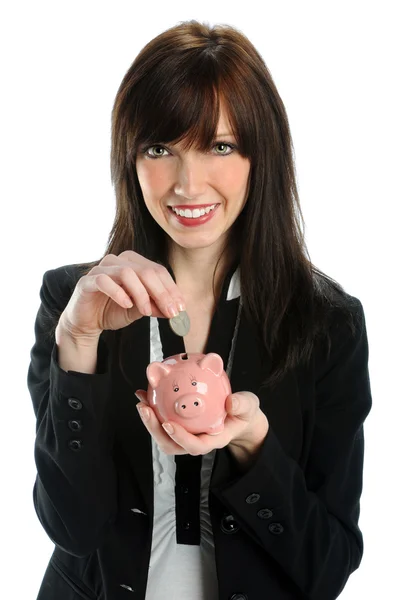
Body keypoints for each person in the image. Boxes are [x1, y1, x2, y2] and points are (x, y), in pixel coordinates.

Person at [27, 19, 372, 600]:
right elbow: (72, 528)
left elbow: (327, 567)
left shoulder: (327, 324)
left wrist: (255, 445)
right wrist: (79, 347)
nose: (188, 184)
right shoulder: (74, 302)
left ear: (261, 157)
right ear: (130, 161)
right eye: (161, 148)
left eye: (220, 146)